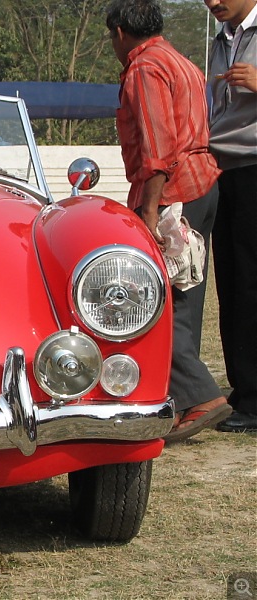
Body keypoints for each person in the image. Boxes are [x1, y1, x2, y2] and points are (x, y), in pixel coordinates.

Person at [105, 0, 231, 442]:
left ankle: (200, 396)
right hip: (203, 183)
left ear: (120, 32)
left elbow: (157, 146)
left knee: (155, 298)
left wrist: (149, 210)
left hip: (172, 192)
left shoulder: (144, 68)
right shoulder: (182, 61)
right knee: (186, 294)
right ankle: (182, 399)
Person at [204, 0, 257, 433]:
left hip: (255, 165)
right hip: (223, 168)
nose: (212, 1)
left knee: (251, 283)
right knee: (234, 284)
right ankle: (245, 390)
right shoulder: (219, 40)